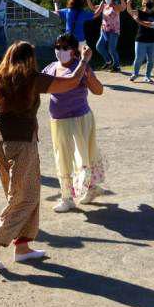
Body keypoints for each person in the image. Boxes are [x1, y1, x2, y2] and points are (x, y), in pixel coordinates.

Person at [0, 41, 93, 269]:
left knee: (23, 194)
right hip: (22, 144)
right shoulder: (33, 78)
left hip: (0, 142)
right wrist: (83, 60)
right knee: (26, 198)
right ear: (30, 58)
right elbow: (71, 82)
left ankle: (22, 247)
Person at [42, 33, 105, 213]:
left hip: (80, 121)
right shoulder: (51, 67)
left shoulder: (81, 67)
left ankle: (91, 188)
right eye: (57, 47)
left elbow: (98, 90)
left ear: (73, 51)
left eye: (64, 48)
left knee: (83, 158)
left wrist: (87, 70)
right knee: (62, 159)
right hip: (59, 122)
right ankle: (68, 198)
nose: (60, 51)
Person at [125, 0, 154, 83]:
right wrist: (128, 3)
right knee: (139, 58)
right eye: (147, 1)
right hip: (141, 40)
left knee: (151, 60)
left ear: (153, 3)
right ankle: (135, 74)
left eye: (150, 1)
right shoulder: (139, 12)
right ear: (143, 3)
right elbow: (129, 11)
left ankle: (147, 76)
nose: (149, 3)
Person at [87, 0, 125, 72]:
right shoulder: (103, 6)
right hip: (104, 30)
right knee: (99, 47)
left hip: (114, 31)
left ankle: (117, 66)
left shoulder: (115, 6)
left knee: (112, 49)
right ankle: (108, 61)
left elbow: (123, 8)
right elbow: (93, 7)